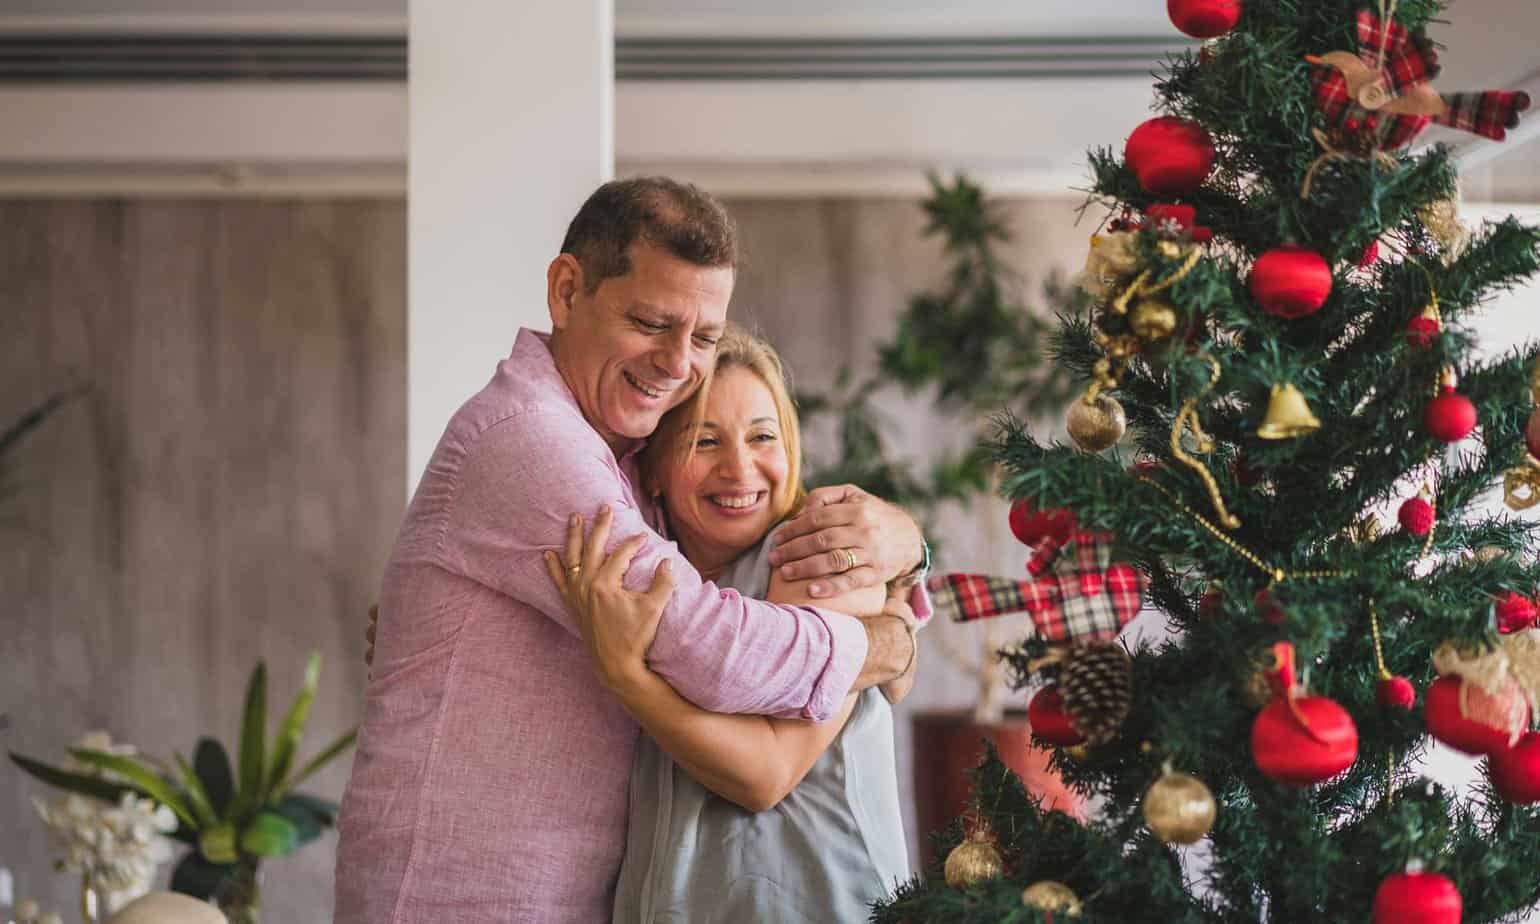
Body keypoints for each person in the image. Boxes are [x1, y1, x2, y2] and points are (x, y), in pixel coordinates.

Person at [334, 177, 929, 924]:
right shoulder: (532, 441)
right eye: (651, 322)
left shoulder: (632, 467)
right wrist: (885, 644)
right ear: (566, 290)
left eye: (704, 337)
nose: (678, 363)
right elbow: (707, 646)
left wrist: (906, 544)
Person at [544, 324, 919, 923]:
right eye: (704, 441)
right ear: (654, 471)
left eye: (763, 437)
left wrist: (627, 676)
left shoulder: (818, 555)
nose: (740, 468)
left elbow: (763, 777)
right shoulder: (650, 579)